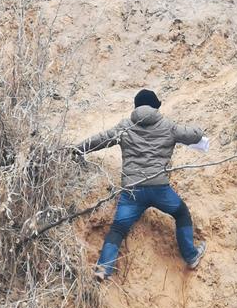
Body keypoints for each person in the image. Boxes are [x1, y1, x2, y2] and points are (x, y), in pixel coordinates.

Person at [75, 89, 207, 280]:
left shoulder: (125, 126)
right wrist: (197, 129)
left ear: (136, 107)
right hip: (160, 189)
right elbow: (195, 135)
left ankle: (103, 268)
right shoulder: (167, 125)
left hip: (132, 191)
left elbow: (101, 139)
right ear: (156, 106)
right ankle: (191, 256)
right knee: (181, 213)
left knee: (118, 229)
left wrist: (77, 149)